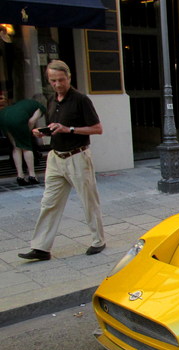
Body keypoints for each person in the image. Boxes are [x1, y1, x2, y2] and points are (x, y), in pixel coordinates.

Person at [18, 60, 106, 261]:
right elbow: (55, 125)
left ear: (69, 78)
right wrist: (44, 132)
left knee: (88, 201)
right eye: (52, 81)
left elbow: (97, 128)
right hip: (55, 158)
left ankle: (98, 240)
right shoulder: (51, 100)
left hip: (77, 156)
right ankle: (41, 248)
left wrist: (69, 129)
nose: (57, 84)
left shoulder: (81, 100)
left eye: (60, 80)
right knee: (49, 202)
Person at [0, 97, 46, 185]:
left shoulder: (26, 102)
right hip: (17, 119)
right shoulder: (40, 107)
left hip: (3, 116)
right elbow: (32, 121)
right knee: (26, 147)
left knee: (16, 146)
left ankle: (20, 176)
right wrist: (27, 134)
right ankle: (32, 175)